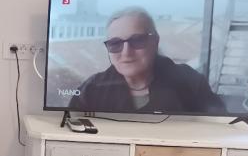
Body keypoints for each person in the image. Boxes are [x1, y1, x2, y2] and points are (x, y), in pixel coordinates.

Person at [69, 7, 225, 114]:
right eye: (115, 44)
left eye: (137, 40)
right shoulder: (92, 89)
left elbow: (215, 127)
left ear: (155, 42)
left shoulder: (190, 82)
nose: (126, 52)